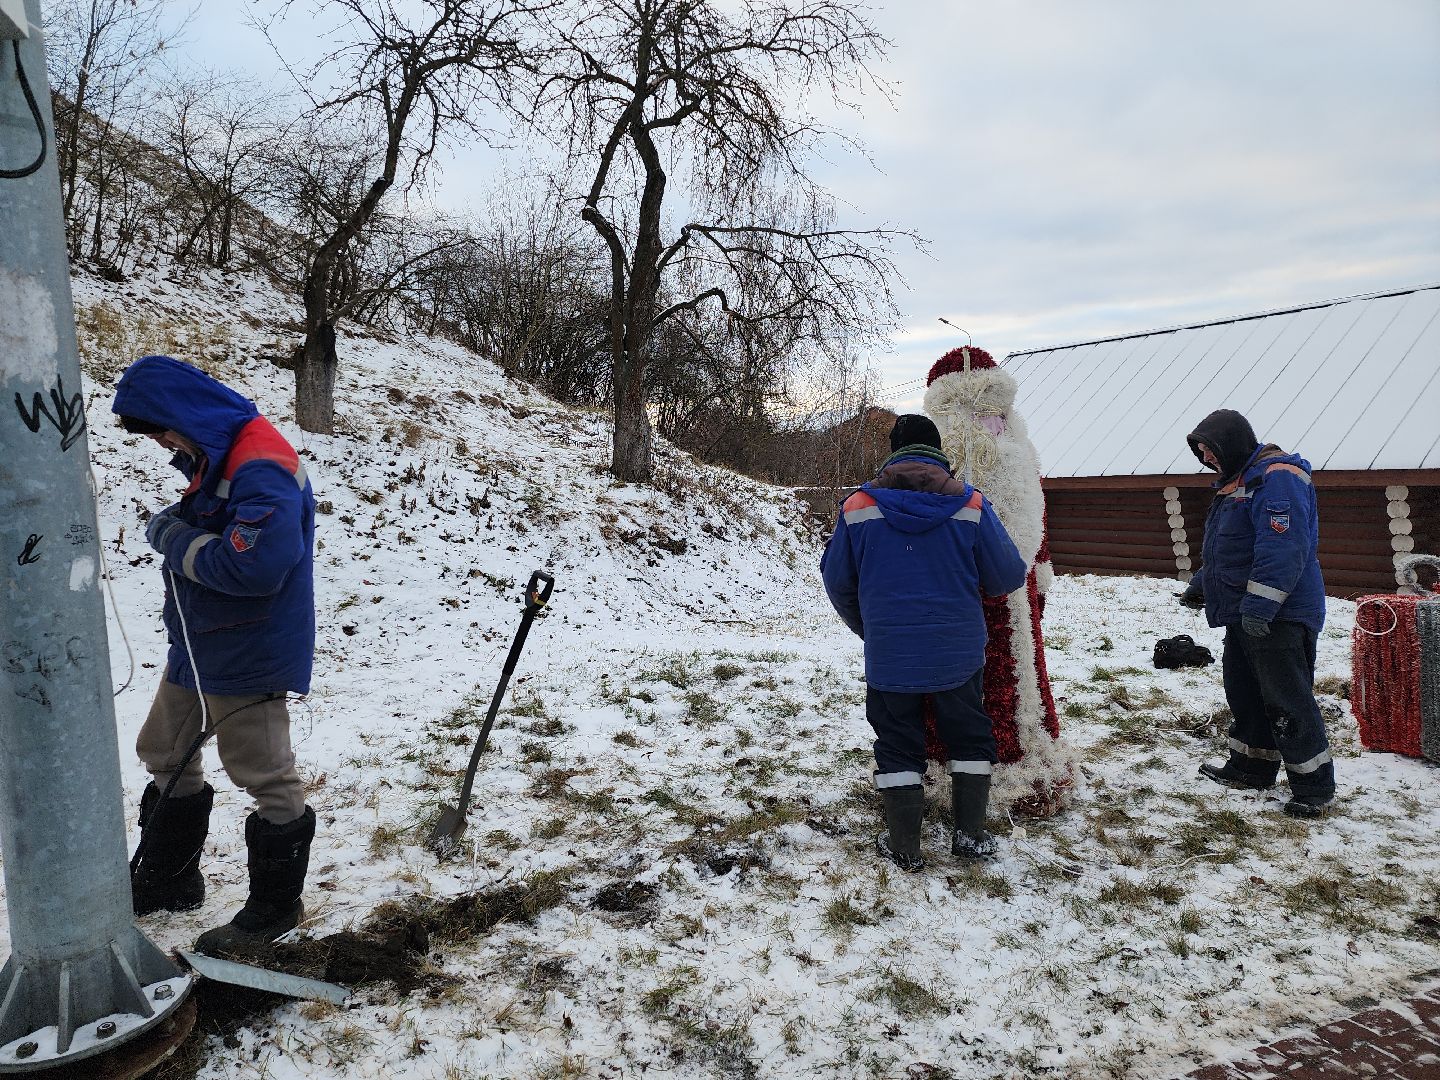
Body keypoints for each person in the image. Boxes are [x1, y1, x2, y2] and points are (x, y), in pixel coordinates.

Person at [113, 354, 318, 951]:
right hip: (199, 644)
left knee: (263, 772)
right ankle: (170, 878)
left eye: (161, 431)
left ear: (182, 414)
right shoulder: (218, 455)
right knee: (164, 748)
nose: (162, 444)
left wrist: (171, 536)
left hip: (248, 649)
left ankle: (276, 907)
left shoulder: (262, 465)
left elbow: (252, 567)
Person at [821, 414, 1028, 871]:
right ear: (939, 451)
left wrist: (871, 627)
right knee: (969, 736)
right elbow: (1008, 575)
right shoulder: (972, 504)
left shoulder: (857, 507)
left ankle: (904, 845)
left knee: (896, 740)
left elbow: (838, 583)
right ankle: (970, 835)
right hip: (959, 651)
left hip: (890, 652)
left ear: (893, 452)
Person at [922, 346, 1073, 816]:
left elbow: (1034, 515)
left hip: (1009, 593)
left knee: (1015, 677)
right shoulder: (951, 457)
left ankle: (1015, 757)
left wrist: (1039, 568)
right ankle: (977, 765)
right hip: (969, 594)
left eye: (993, 409)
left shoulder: (1015, 451)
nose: (988, 420)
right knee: (983, 680)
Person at [1181, 408, 1334, 818]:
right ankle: (1251, 768)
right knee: (1245, 692)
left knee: (1287, 699)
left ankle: (1313, 787)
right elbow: (1232, 548)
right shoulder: (1238, 482)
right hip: (1245, 613)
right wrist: (1203, 582)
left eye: (1210, 449)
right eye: (1201, 452)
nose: (1207, 458)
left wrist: (1262, 605)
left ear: (1231, 442)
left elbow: (1283, 547)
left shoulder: (1277, 477)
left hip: (1280, 614)